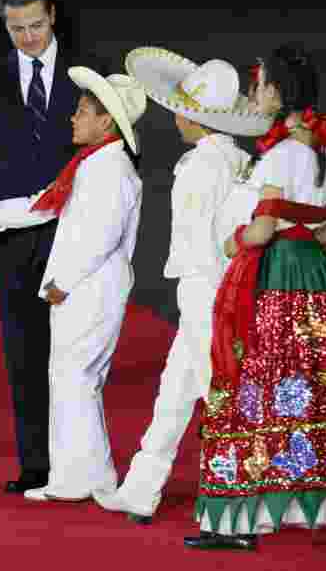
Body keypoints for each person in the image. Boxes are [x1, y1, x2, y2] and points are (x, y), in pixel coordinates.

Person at [187, 44, 326, 558]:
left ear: (277, 91)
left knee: (256, 386)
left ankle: (240, 519)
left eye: (258, 86)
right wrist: (298, 241)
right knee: (320, 391)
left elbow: (259, 230)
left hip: (277, 278)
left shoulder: (281, 154)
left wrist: (231, 243)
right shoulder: (320, 150)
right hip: (313, 278)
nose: (253, 95)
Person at [93, 49, 273, 524]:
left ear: (194, 120)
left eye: (181, 111)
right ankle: (140, 488)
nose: (175, 117)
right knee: (174, 392)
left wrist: (211, 296)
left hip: (204, 287)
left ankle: (250, 495)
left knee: (219, 389)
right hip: (223, 285)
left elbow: (202, 239)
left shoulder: (199, 167)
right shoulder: (238, 160)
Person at [0, 66, 145, 503]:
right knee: (74, 378)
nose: (73, 117)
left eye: (82, 111)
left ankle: (84, 477)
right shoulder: (91, 164)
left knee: (76, 377)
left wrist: (61, 283)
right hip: (87, 285)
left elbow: (100, 237)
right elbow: (41, 207)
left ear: (106, 121)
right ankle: (89, 475)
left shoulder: (110, 170)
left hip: (90, 285)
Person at [0, 0, 91, 495]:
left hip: (76, 235)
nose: (29, 37)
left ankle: (79, 463)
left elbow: (118, 149)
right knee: (24, 355)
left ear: (54, 16)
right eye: (17, 29)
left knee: (79, 353)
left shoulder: (87, 70)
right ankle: (36, 466)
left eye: (36, 25)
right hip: (14, 239)